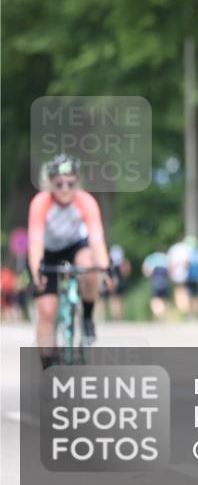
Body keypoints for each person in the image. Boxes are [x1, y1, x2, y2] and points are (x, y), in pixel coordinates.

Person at [27, 154, 111, 368]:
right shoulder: (41, 203)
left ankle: (88, 316)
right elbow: (35, 243)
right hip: (48, 251)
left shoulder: (86, 202)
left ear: (78, 183)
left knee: (90, 267)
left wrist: (106, 269)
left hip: (76, 246)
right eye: (59, 184)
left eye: (71, 183)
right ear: (50, 184)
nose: (65, 189)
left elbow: (97, 241)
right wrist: (37, 271)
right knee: (46, 310)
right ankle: (47, 364)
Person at [101, 244, 131, 321]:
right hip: (117, 277)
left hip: (110, 276)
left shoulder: (108, 260)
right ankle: (117, 318)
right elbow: (126, 270)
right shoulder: (121, 261)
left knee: (108, 299)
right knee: (116, 299)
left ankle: (104, 318)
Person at [142, 250, 171, 320]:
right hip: (164, 280)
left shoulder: (151, 257)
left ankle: (158, 314)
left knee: (155, 298)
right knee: (163, 298)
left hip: (155, 280)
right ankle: (163, 314)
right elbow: (170, 269)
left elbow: (146, 270)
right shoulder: (165, 257)